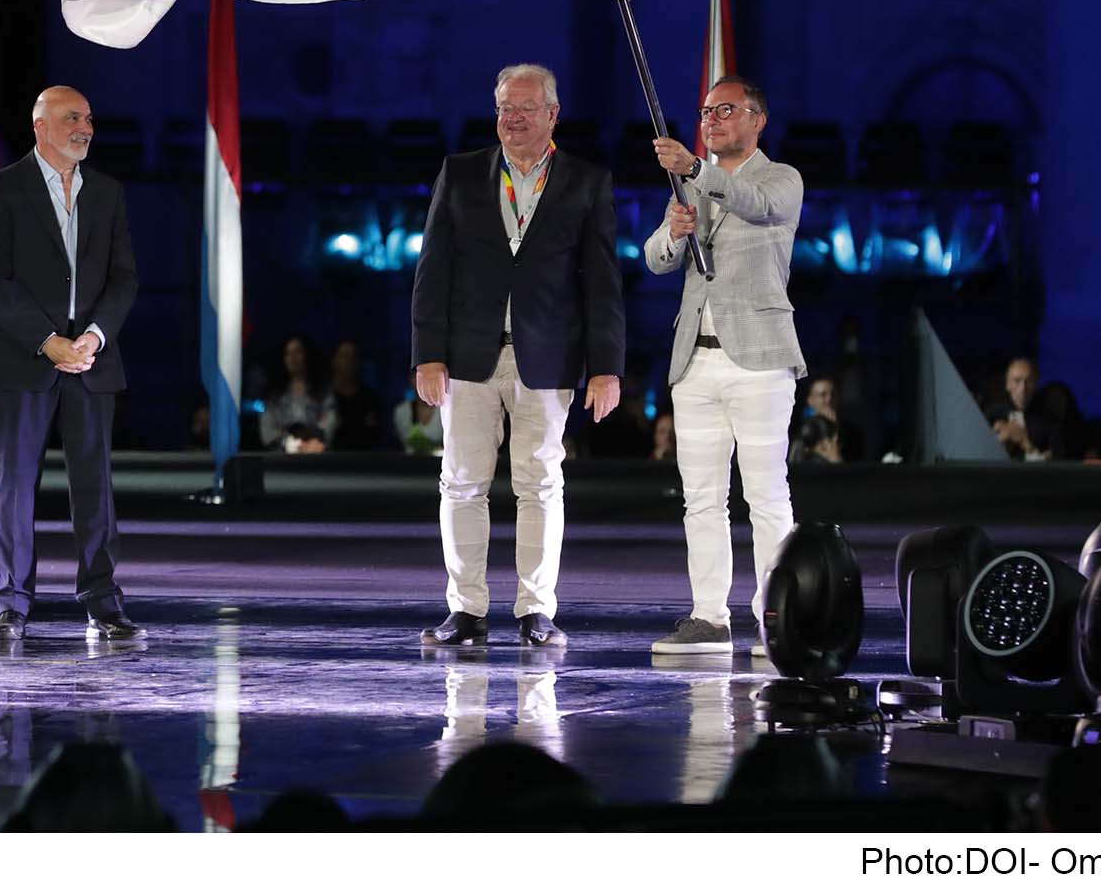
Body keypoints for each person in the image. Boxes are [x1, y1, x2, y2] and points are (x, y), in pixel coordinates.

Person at [410, 63, 625, 648]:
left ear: (553, 114)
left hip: (547, 359)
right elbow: (432, 272)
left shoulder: (585, 181)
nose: (514, 117)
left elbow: (602, 282)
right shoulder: (460, 174)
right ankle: (466, 611)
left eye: (527, 107)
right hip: (466, 358)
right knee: (460, 483)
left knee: (541, 485)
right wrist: (427, 354)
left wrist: (607, 367)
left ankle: (536, 611)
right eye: (505, 107)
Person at [0, 86, 140, 645]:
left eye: (89, 118)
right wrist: (49, 341)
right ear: (39, 125)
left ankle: (103, 604)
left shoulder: (108, 193)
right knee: (17, 487)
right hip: (21, 361)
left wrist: (92, 337)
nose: (84, 127)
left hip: (91, 361)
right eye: (72, 118)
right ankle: (12, 605)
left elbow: (124, 279)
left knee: (95, 487)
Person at [643, 75, 805, 655]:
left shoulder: (780, 178)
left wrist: (695, 171)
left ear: (757, 119)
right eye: (706, 110)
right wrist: (672, 232)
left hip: (759, 357)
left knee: (766, 494)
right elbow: (658, 258)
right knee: (701, 498)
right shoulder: (690, 186)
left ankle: (778, 616)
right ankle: (709, 616)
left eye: (726, 110)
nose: (712, 119)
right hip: (696, 361)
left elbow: (759, 208)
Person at [261, 334, 333, 449]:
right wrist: (294, 445)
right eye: (288, 353)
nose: (293, 358)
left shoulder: (323, 392)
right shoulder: (274, 396)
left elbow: (329, 426)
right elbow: (268, 434)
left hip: (317, 458)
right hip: (281, 461)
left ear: (307, 355)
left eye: (298, 352)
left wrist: (313, 444)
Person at [328, 338, 389, 451]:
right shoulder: (325, 398)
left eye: (354, 357)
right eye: (344, 356)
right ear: (334, 360)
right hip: (329, 461)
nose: (350, 361)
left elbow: (376, 436)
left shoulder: (370, 398)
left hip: (365, 461)